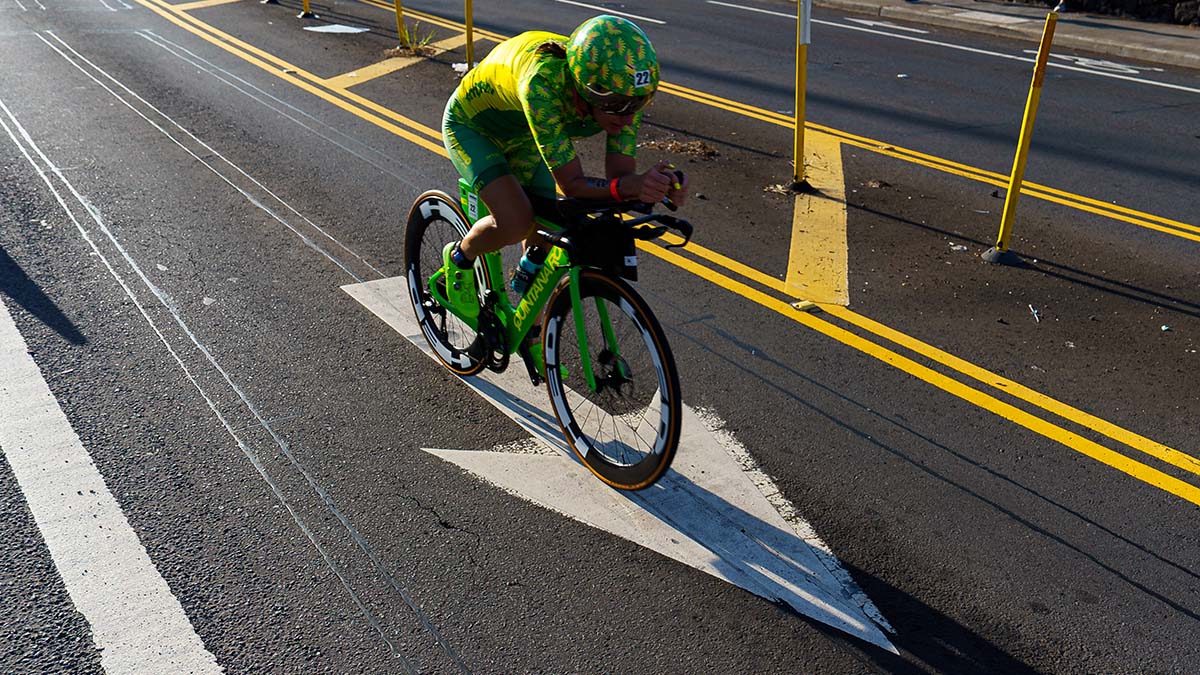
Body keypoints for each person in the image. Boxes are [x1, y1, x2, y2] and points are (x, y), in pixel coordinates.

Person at [440, 14, 689, 317]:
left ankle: (528, 324)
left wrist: (656, 185)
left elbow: (620, 179)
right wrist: (630, 187)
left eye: (638, 105)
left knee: (549, 223)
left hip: (525, 132)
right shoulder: (542, 83)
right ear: (587, 88)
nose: (627, 117)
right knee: (516, 221)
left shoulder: (623, 93)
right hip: (474, 128)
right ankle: (460, 259)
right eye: (617, 106)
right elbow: (572, 185)